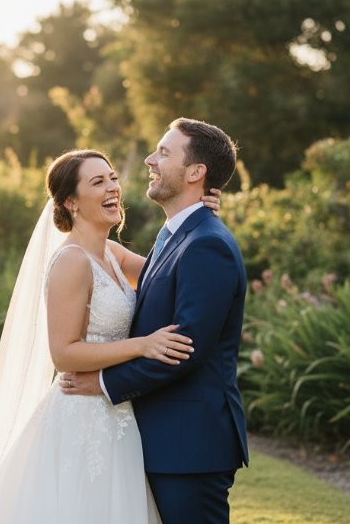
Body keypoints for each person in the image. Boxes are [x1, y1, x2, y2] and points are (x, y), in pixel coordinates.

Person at [0, 148, 222, 524]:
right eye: (98, 182)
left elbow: (174, 270)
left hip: (116, 411)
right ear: (71, 202)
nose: (113, 188)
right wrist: (143, 344)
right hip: (81, 414)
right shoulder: (71, 261)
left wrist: (200, 219)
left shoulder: (112, 253)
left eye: (113, 179)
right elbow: (64, 354)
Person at [61, 118, 249, 524]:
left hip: (190, 445)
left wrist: (104, 383)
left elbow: (185, 352)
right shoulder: (175, 235)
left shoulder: (207, 244)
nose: (150, 159)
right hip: (158, 437)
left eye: (164, 153)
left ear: (196, 172)